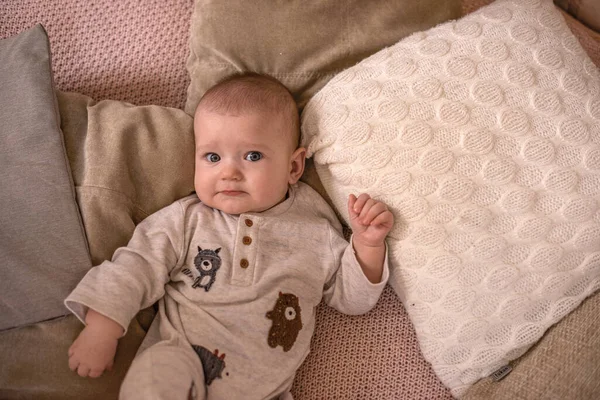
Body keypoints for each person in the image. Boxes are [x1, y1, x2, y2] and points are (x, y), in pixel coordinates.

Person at [65, 72, 394, 400]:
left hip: (266, 392)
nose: (229, 172)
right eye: (212, 157)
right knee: (159, 374)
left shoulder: (316, 228)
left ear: (294, 167)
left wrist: (367, 245)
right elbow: (136, 266)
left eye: (252, 156)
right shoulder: (187, 220)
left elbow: (351, 299)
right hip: (182, 364)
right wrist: (102, 327)